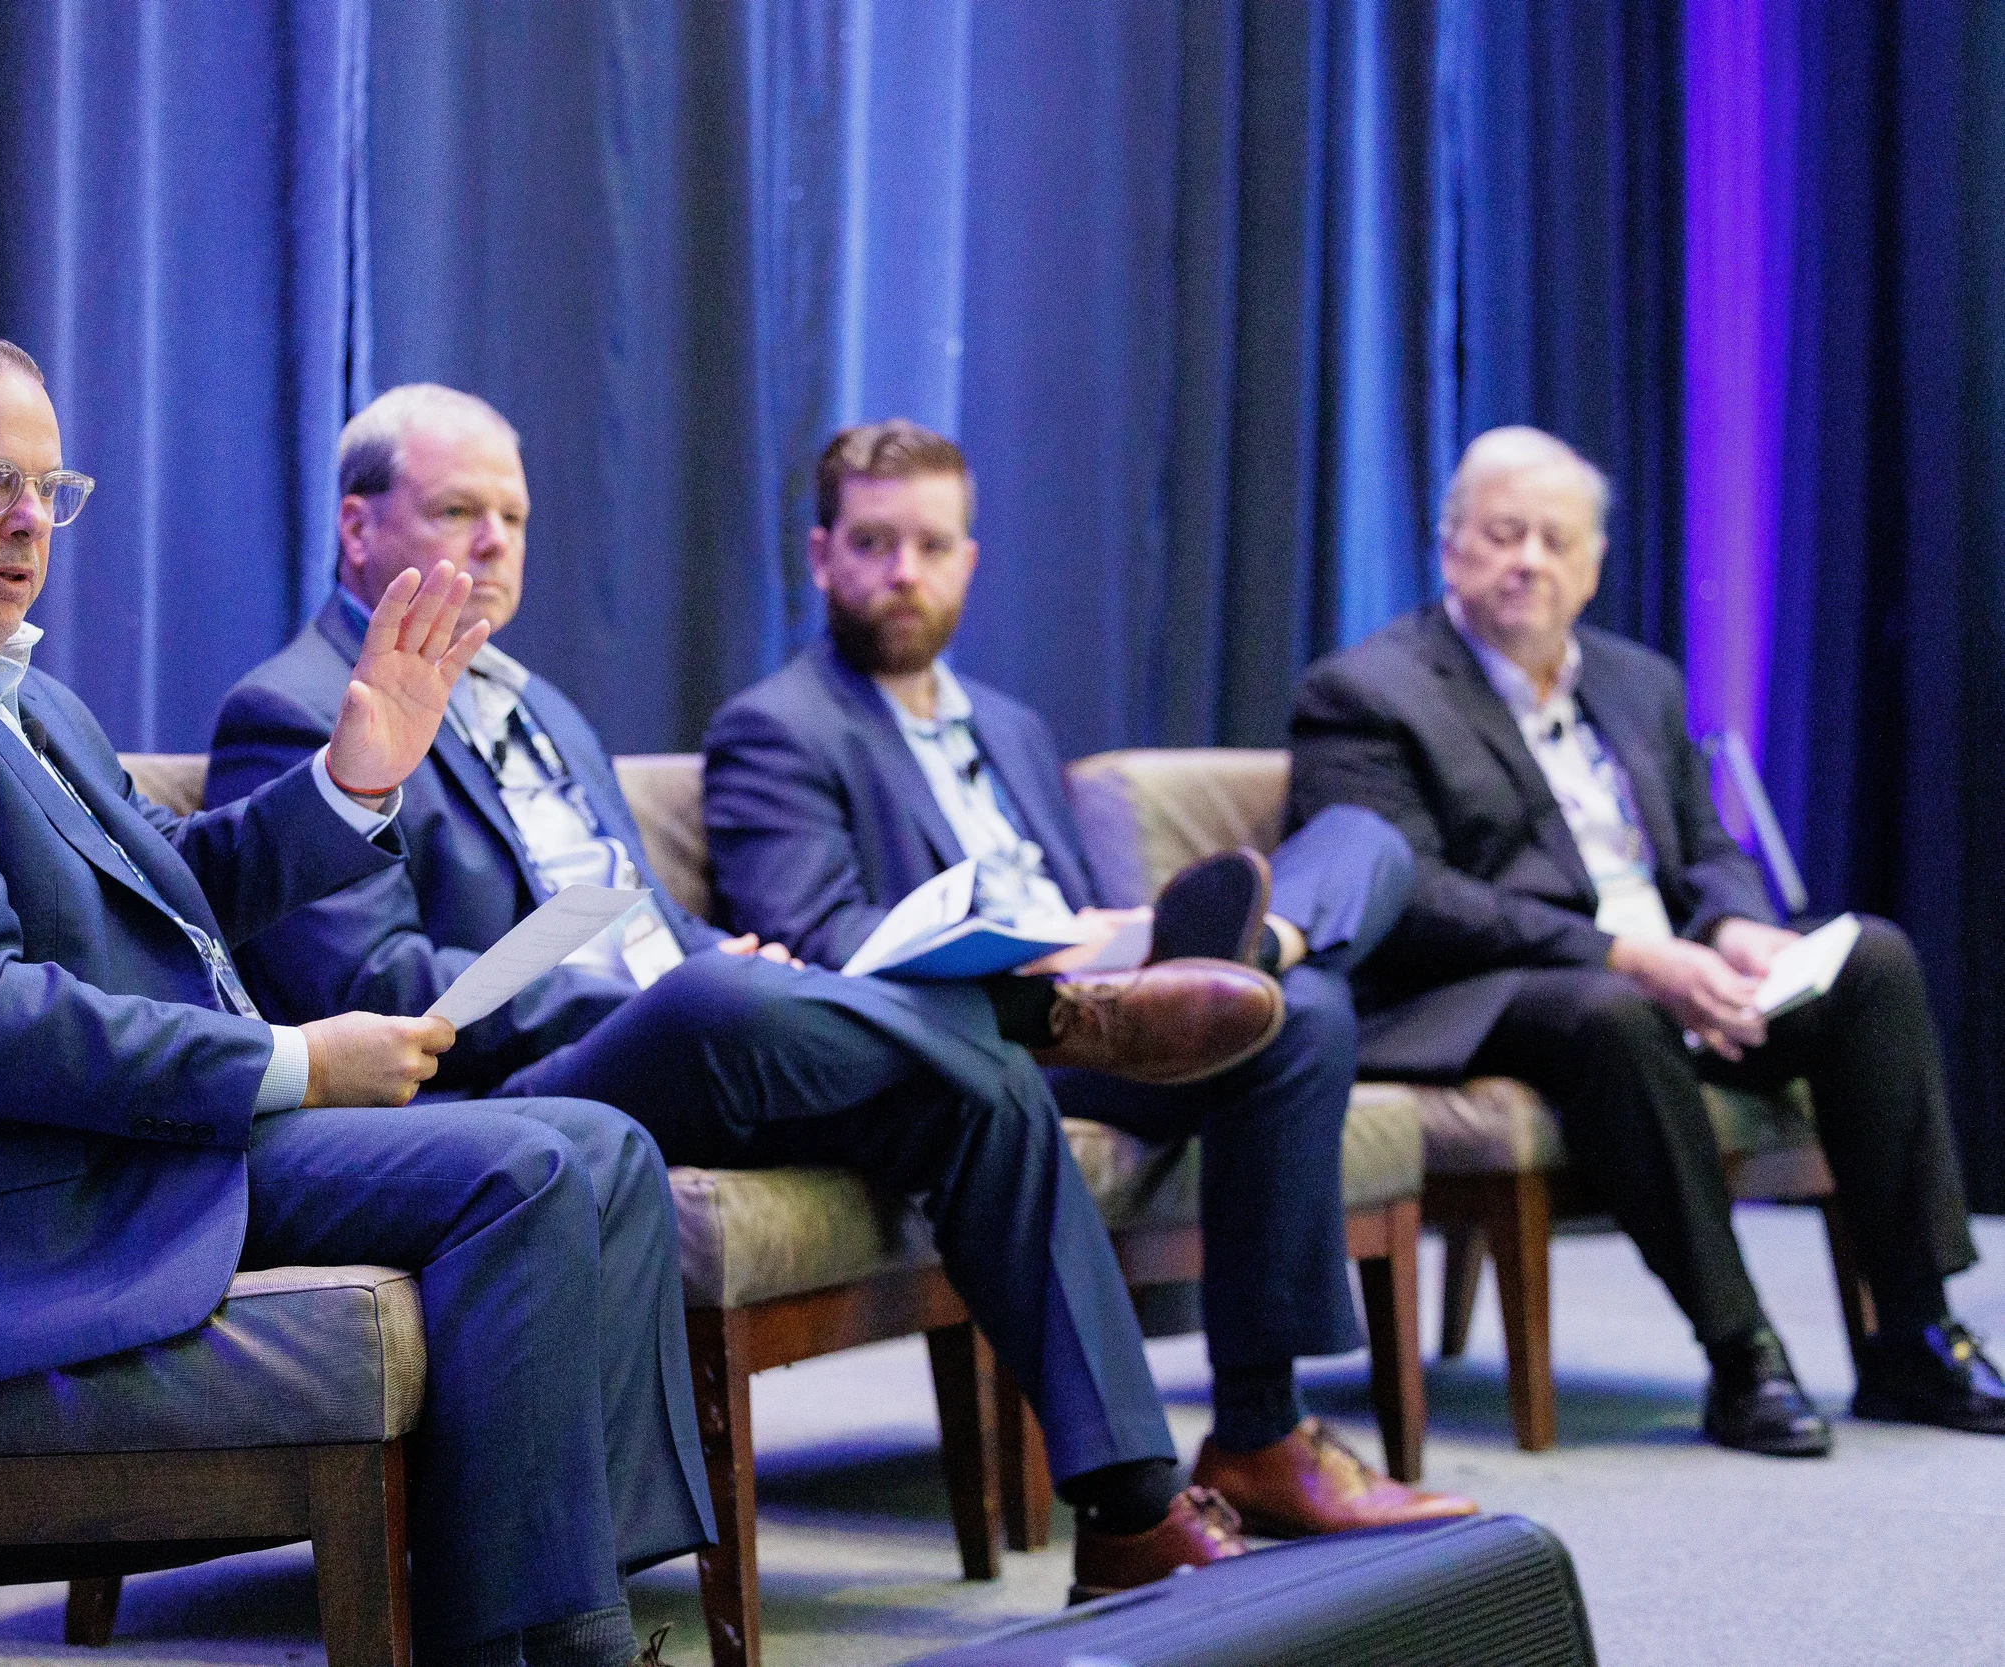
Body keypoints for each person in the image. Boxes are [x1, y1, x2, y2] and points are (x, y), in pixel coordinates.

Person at [0, 334, 707, 1667]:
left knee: (606, 1146)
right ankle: (525, 1644)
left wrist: (354, 777)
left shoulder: (1, 682)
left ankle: (567, 1622)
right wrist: (293, 1060)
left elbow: (179, 887)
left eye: (53, 489)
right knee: (520, 1165)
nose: (29, 523)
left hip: (128, 1137)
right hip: (13, 1193)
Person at [210, 385, 1300, 1601]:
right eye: (457, 509)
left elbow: (633, 907)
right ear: (358, 529)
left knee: (971, 1090)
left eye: (513, 515)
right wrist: (670, 989)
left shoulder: (540, 702)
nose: (494, 541)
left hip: (664, 1045)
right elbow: (380, 985)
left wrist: (718, 949)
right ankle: (1049, 1011)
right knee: (709, 1007)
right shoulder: (294, 710)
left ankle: (1131, 1509)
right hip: (486, 1095)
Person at [701, 419, 1473, 1539]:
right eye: (872, 542)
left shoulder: (1012, 727)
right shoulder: (775, 730)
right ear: (821, 555)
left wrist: (1124, 948)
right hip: (984, 1050)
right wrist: (1057, 948)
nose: (900, 572)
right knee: (1288, 1013)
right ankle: (1261, 1426)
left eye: (928, 544)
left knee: (1351, 866)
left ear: (971, 559)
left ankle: (1249, 961)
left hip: (1118, 1015)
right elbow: (822, 945)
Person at [1288, 424, 2005, 1455]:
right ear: (1450, 549)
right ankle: (1740, 1352)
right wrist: (1629, 954)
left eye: (1553, 538)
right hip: (1488, 991)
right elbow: (1414, 897)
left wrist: (1737, 927)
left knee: (1870, 957)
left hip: (1675, 967)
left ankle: (1913, 1333)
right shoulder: (1363, 693)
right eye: (1500, 534)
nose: (1527, 558)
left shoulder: (1638, 682)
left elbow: (1708, 844)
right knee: (1613, 1011)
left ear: (1590, 565)